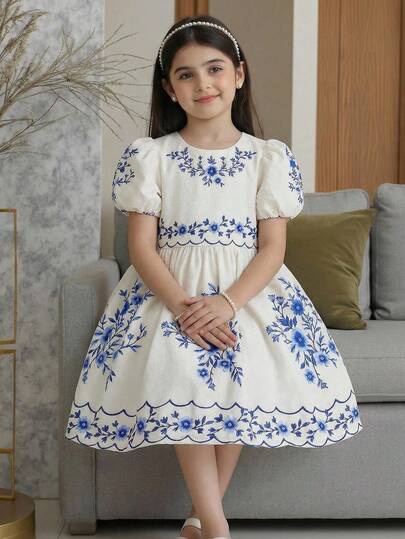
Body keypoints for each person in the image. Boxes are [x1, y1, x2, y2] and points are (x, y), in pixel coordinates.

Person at [64, 14, 364, 539]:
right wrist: (185, 309)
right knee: (187, 376)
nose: (203, 84)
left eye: (215, 69)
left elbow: (272, 249)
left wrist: (226, 304)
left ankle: (201, 519)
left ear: (239, 75)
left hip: (246, 294)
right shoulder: (152, 156)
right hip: (170, 293)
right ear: (169, 88)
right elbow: (141, 248)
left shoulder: (267, 158)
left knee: (237, 379)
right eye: (186, 74)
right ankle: (218, 528)